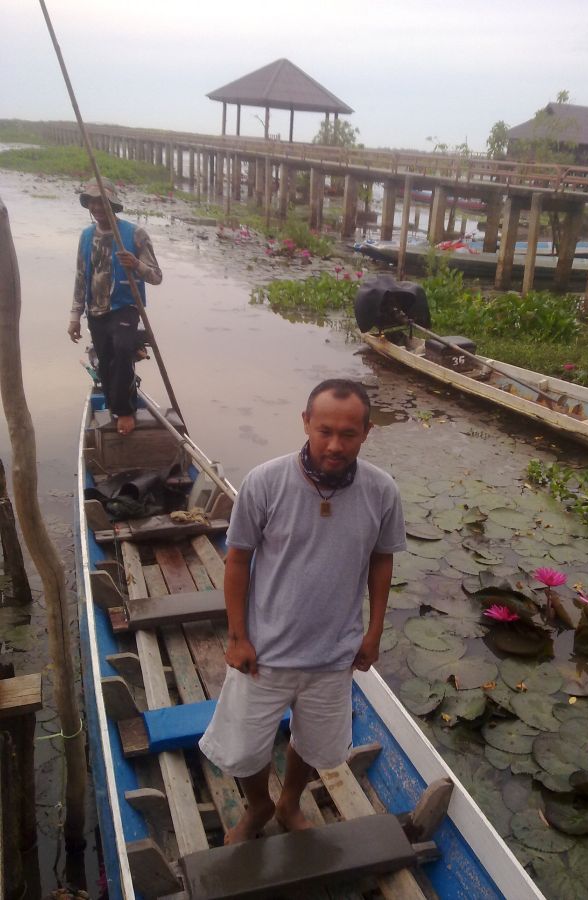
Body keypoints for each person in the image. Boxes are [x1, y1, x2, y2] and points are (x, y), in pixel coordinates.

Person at [199, 379, 406, 844]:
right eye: (325, 430)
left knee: (312, 743)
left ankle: (290, 801)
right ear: (306, 423)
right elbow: (238, 559)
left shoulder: (381, 490)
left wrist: (373, 632)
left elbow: (381, 560)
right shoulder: (265, 482)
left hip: (334, 653)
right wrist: (237, 636)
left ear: (367, 432)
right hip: (265, 651)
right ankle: (258, 806)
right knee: (246, 747)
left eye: (348, 434)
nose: (335, 445)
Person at [67, 177, 162, 435]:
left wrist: (136, 264)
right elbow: (80, 277)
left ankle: (125, 410)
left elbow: (156, 276)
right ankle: (114, 404)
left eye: (103, 203)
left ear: (113, 205)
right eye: (93, 203)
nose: (97, 208)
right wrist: (75, 316)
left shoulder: (134, 234)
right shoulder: (86, 237)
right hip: (96, 311)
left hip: (125, 307)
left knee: (122, 349)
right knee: (106, 361)